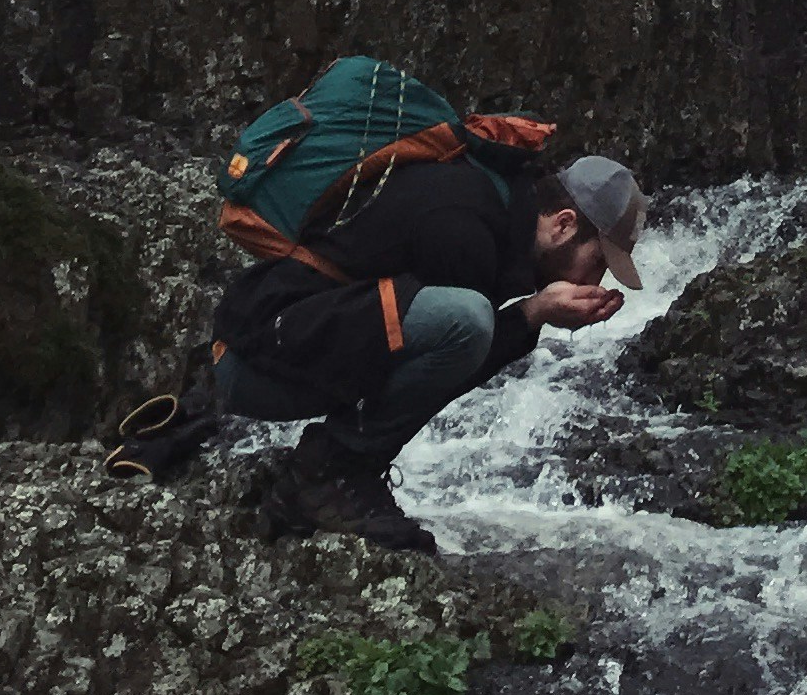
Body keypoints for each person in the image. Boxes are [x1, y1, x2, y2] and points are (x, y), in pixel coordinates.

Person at [214, 144, 648, 547]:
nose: (594, 283)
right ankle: (328, 474)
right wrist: (533, 313)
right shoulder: (466, 228)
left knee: (464, 320)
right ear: (564, 224)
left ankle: (339, 470)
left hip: (274, 348)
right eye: (596, 264)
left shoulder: (495, 208)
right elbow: (459, 356)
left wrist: (533, 311)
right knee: (467, 320)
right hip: (253, 366)